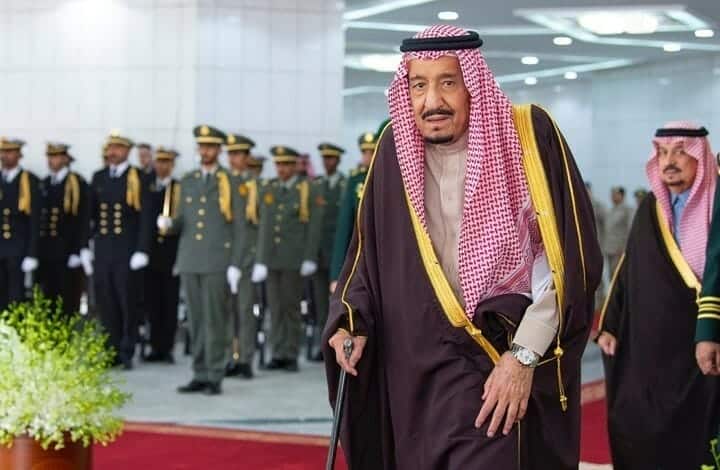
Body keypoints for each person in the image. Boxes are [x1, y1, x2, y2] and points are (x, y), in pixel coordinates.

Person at [323, 25, 601, 469]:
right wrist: (349, 323)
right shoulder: (393, 151)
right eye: (419, 85)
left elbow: (569, 261)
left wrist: (523, 357)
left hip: (498, 359)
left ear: (473, 84)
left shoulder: (529, 137)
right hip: (417, 371)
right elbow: (365, 257)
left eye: (448, 82)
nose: (432, 101)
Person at [596, 122, 720, 468]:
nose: (669, 162)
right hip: (656, 346)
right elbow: (629, 266)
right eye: (663, 153)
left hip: (704, 340)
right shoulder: (652, 207)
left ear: (699, 156)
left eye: (680, 152)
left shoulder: (715, 203)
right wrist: (611, 323)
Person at [157, 125, 237, 395]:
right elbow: (182, 221)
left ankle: (215, 374)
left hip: (216, 260)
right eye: (201, 146)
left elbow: (238, 224)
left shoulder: (229, 180)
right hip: (190, 259)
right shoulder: (187, 180)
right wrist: (169, 224)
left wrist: (236, 262)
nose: (205, 151)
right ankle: (199, 372)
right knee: (196, 320)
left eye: (210, 147)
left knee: (215, 320)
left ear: (219, 150)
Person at [251, 146, 323, 372]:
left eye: (285, 165)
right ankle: (277, 352)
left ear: (294, 166)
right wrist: (261, 259)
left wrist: (309, 257)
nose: (281, 169)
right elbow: (264, 226)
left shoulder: (307, 189)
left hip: (294, 259)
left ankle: (290, 353)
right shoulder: (270, 188)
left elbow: (314, 227)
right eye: (278, 164)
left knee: (291, 307)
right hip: (272, 260)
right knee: (275, 307)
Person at [87, 131, 152, 370]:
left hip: (127, 250)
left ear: (127, 151)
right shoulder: (99, 177)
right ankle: (110, 349)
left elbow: (146, 217)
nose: (113, 152)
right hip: (104, 249)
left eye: (118, 148)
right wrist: (85, 245)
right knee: (106, 301)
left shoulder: (138, 177)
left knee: (127, 301)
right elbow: (90, 214)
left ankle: (126, 350)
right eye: (110, 148)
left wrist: (142, 249)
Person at [36, 143, 89, 316]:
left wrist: (77, 250)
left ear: (65, 159)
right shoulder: (45, 183)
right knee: (47, 296)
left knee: (67, 297)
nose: (51, 160)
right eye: (50, 156)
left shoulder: (76, 183)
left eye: (56, 156)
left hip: (66, 251)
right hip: (46, 250)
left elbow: (82, 218)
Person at [225, 132, 259, 379]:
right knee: (227, 312)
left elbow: (257, 226)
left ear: (247, 157)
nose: (233, 158)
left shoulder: (254, 186)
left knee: (245, 310)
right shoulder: (223, 183)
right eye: (231, 154)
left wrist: (257, 258)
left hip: (247, 257)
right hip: (224, 257)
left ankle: (245, 358)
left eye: (238, 154)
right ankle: (230, 357)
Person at [143, 147, 181, 364]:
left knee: (169, 303)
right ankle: (154, 345)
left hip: (170, 254)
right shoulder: (148, 186)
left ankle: (167, 347)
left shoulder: (178, 188)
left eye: (166, 162)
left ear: (172, 165)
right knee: (152, 302)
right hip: (151, 254)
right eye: (159, 162)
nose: (161, 166)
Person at [329, 131, 378, 294]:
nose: (368, 157)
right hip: (359, 257)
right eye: (365, 152)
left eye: (372, 151)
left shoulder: (389, 177)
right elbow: (344, 228)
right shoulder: (355, 180)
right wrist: (336, 274)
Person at [309, 143, 346, 361]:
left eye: (331, 158)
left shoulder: (344, 184)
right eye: (324, 158)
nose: (327, 162)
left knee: (337, 303)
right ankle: (323, 345)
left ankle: (336, 345)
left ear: (338, 160)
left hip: (337, 255)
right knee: (320, 303)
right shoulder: (317, 185)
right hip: (319, 253)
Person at [0, 138, 40, 311]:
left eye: (9, 152)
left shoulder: (29, 180)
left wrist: (32, 253)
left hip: (18, 247)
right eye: (3, 152)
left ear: (18, 154)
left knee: (15, 294)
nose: (5, 156)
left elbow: (35, 220)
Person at [604, 186, 633, 273]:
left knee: (618, 274)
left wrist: (624, 248)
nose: (613, 196)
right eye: (612, 194)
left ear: (622, 196)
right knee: (611, 274)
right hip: (609, 248)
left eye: (615, 194)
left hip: (619, 249)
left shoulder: (627, 210)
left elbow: (630, 229)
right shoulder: (611, 210)